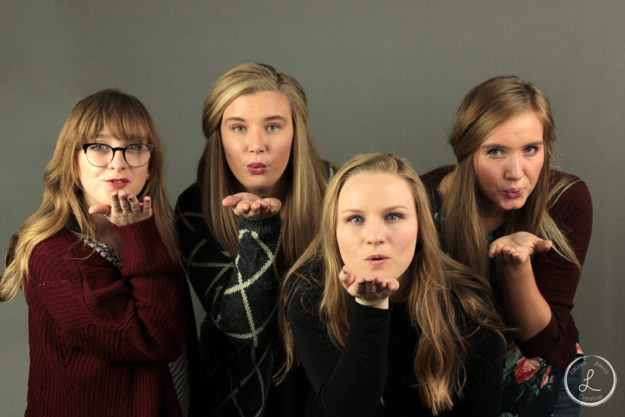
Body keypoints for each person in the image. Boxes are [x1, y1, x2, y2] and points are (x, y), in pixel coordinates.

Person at [0, 89, 190, 417]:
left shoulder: (155, 236)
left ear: (150, 164)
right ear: (73, 163)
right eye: (99, 147)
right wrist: (139, 236)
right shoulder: (53, 256)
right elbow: (155, 339)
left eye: (133, 147)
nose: (118, 162)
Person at [279, 153, 505, 417]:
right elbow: (347, 410)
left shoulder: (466, 299)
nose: (375, 236)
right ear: (333, 231)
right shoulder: (308, 291)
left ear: (421, 226)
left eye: (394, 217)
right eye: (355, 219)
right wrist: (371, 307)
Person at [421, 76, 593, 417]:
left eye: (531, 149)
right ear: (467, 151)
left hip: (542, 389)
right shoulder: (422, 202)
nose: (516, 172)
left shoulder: (564, 199)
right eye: (495, 151)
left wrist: (517, 266)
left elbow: (541, 342)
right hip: (448, 396)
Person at [175, 63, 333, 416]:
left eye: (273, 126)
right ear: (219, 136)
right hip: (235, 397)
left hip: (328, 388)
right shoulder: (195, 207)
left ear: (297, 132)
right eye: (238, 128)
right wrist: (258, 230)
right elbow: (243, 329)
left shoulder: (341, 192)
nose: (256, 146)